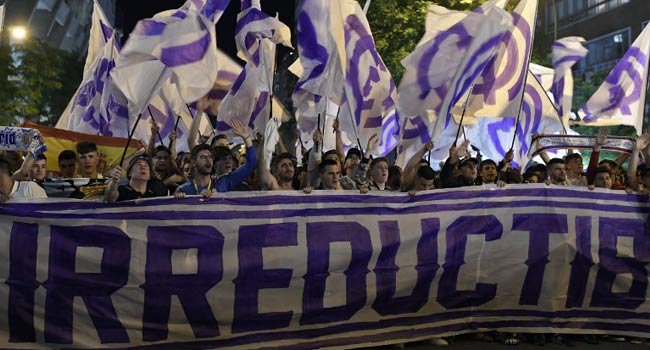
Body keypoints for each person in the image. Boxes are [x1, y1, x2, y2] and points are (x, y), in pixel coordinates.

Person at [175, 119, 256, 198]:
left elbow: (250, 165)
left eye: (210, 157)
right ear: (193, 162)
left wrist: (246, 138)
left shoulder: (224, 182)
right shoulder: (183, 190)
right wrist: (177, 201)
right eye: (203, 157)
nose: (208, 161)